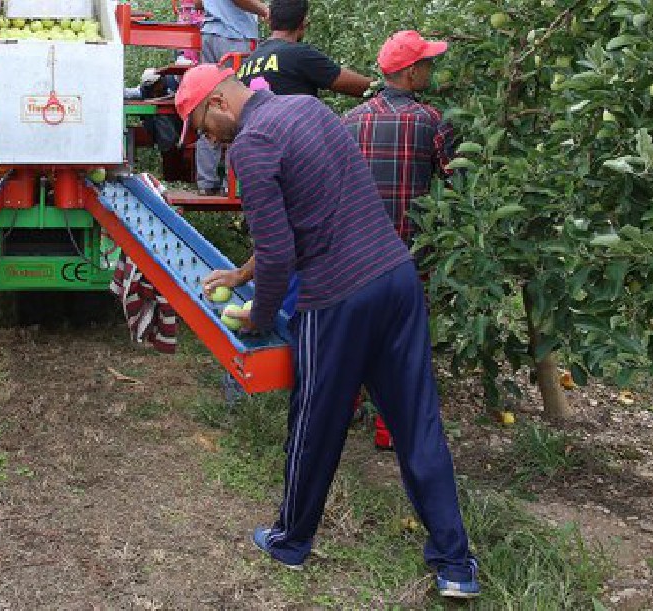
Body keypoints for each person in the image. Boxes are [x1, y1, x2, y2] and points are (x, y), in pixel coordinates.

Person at [178, 64, 479, 598]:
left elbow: (279, 252)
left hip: (338, 297)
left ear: (219, 103)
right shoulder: (310, 110)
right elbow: (310, 214)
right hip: (396, 280)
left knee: (314, 424)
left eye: (202, 127)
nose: (208, 140)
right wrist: (242, 275)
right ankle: (455, 565)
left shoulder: (251, 145)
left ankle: (290, 541)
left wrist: (259, 315)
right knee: (418, 425)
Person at [343, 30, 455, 246]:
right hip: (411, 250)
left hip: (359, 250)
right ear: (412, 72)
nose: (430, 70)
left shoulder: (349, 121)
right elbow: (457, 183)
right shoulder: (431, 120)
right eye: (427, 64)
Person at [192, 0, 267, 196]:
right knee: (235, 107)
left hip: (210, 33)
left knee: (209, 104)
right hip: (234, 34)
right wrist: (265, 11)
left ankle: (206, 181)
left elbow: (198, 3)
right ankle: (232, 183)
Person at [236, 0, 372, 97]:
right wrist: (380, 85)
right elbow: (362, 87)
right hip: (293, 129)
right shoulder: (299, 55)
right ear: (303, 23)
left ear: (269, 20)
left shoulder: (248, 62)